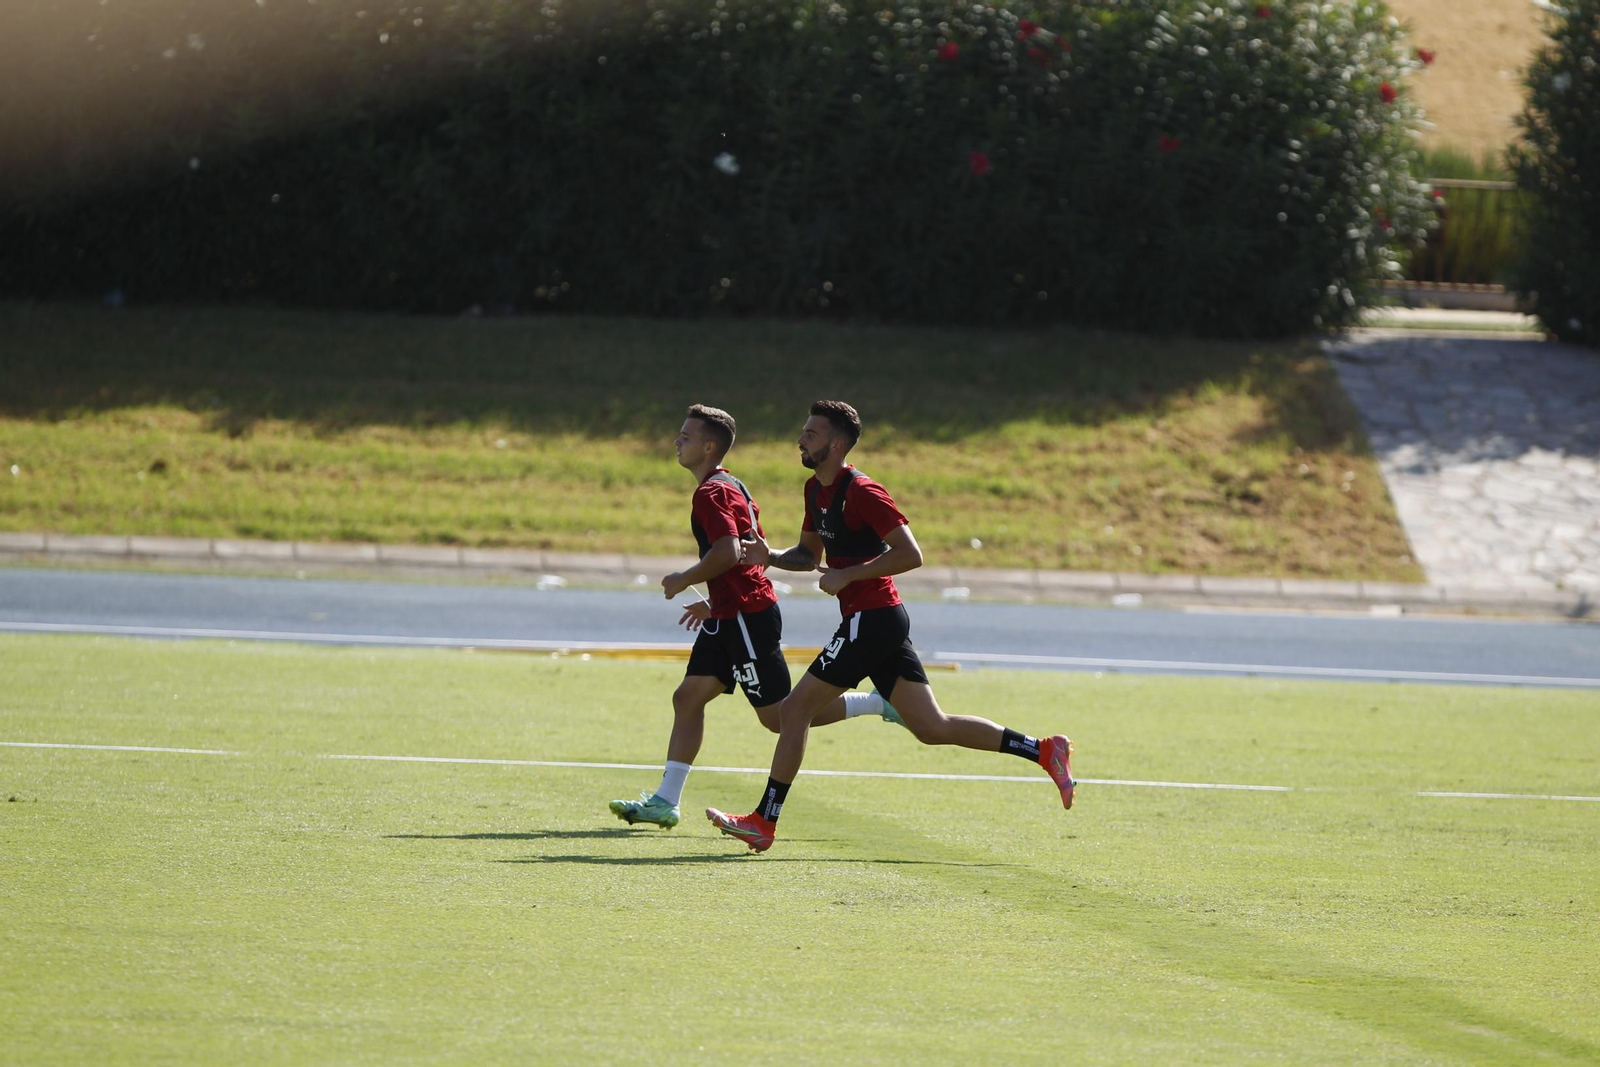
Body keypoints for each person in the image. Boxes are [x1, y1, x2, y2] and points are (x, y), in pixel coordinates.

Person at [705, 399, 1076, 852]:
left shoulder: (862, 490)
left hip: (873, 618)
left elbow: (910, 554)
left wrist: (849, 575)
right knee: (932, 727)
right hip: (874, 621)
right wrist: (772, 557)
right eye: (803, 432)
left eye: (812, 434)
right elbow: (808, 557)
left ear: (837, 444)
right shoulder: (813, 490)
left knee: (794, 711)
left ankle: (765, 821)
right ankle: (1043, 750)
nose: (801, 439)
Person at [608, 404, 899, 830]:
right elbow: (747, 552)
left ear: (709, 447)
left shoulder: (712, 492)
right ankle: (665, 801)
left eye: (686, 437)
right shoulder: (727, 486)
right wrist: (715, 602)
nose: (676, 442)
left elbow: (728, 552)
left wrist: (683, 578)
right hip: (730, 612)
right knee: (688, 697)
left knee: (778, 718)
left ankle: (876, 702)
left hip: (746, 615)